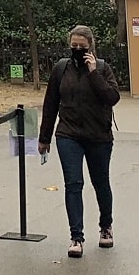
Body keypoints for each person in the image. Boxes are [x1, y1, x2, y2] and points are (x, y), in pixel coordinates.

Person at [37, 24, 121, 258]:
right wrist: (44, 138)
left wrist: (93, 73)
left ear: (91, 47)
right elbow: (50, 104)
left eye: (81, 47)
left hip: (98, 136)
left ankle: (106, 227)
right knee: (73, 184)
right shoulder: (61, 69)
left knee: (101, 183)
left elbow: (112, 98)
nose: (76, 50)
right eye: (73, 46)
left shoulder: (103, 69)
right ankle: (76, 237)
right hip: (68, 134)